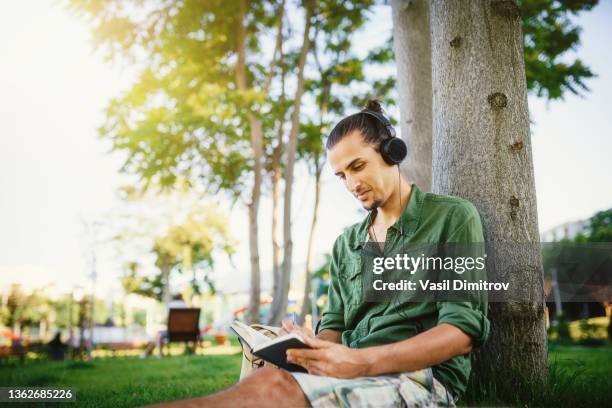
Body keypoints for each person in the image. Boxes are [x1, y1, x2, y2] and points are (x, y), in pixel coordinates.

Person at [153, 100, 489, 407]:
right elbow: (335, 326)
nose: (351, 184)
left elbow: (460, 333)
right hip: (350, 372)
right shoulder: (346, 244)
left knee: (273, 390)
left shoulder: (452, 217)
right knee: (268, 378)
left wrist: (359, 362)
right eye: (342, 175)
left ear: (392, 153)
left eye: (358, 166)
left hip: (419, 381)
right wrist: (309, 346)